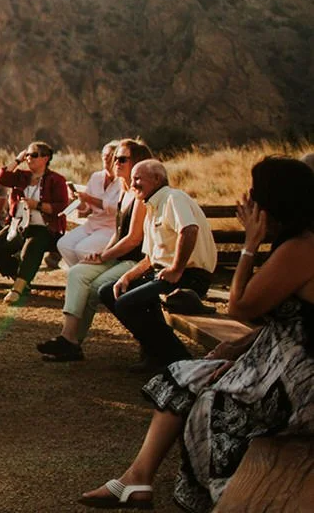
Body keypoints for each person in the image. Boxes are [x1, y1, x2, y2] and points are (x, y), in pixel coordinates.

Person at [80, 157, 314, 511]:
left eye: (255, 192)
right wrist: (239, 346)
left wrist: (250, 245)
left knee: (211, 405)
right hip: (275, 358)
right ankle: (137, 478)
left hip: (300, 378)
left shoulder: (302, 248)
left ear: (274, 200)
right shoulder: (295, 243)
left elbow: (240, 307)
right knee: (183, 374)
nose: (247, 200)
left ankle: (220, 498)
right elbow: (292, 318)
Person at [98, 157, 218, 372]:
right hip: (163, 274)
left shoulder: (174, 197)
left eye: (137, 179)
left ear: (156, 178)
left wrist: (176, 269)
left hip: (190, 276)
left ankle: (182, 362)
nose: (132, 184)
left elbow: (189, 230)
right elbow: (151, 259)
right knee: (108, 291)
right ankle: (157, 353)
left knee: (127, 303)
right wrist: (126, 277)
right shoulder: (152, 207)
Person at [37, 138, 150, 363]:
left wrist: (104, 255)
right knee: (77, 272)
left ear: (137, 162)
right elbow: (118, 234)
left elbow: (133, 239)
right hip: (117, 256)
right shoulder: (124, 192)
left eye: (122, 159)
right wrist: (101, 254)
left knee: (96, 288)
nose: (115, 162)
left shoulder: (140, 195)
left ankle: (147, 340)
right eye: (115, 157)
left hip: (135, 261)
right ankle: (67, 339)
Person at [0, 140, 72, 305]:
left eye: (34, 155)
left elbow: (61, 206)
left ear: (46, 158)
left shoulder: (56, 179)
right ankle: (22, 279)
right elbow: (2, 178)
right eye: (27, 155)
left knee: (32, 247)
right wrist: (17, 160)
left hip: (45, 228)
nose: (29, 158)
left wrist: (36, 205)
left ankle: (17, 289)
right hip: (19, 226)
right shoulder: (21, 176)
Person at [59, 141, 124, 266]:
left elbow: (117, 207)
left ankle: (92, 276)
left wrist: (89, 199)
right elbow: (87, 209)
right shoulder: (96, 177)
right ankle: (79, 275)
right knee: (64, 245)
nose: (106, 158)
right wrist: (79, 201)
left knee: (82, 249)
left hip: (111, 229)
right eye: (104, 154)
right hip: (92, 224)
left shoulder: (123, 181)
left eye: (110, 155)